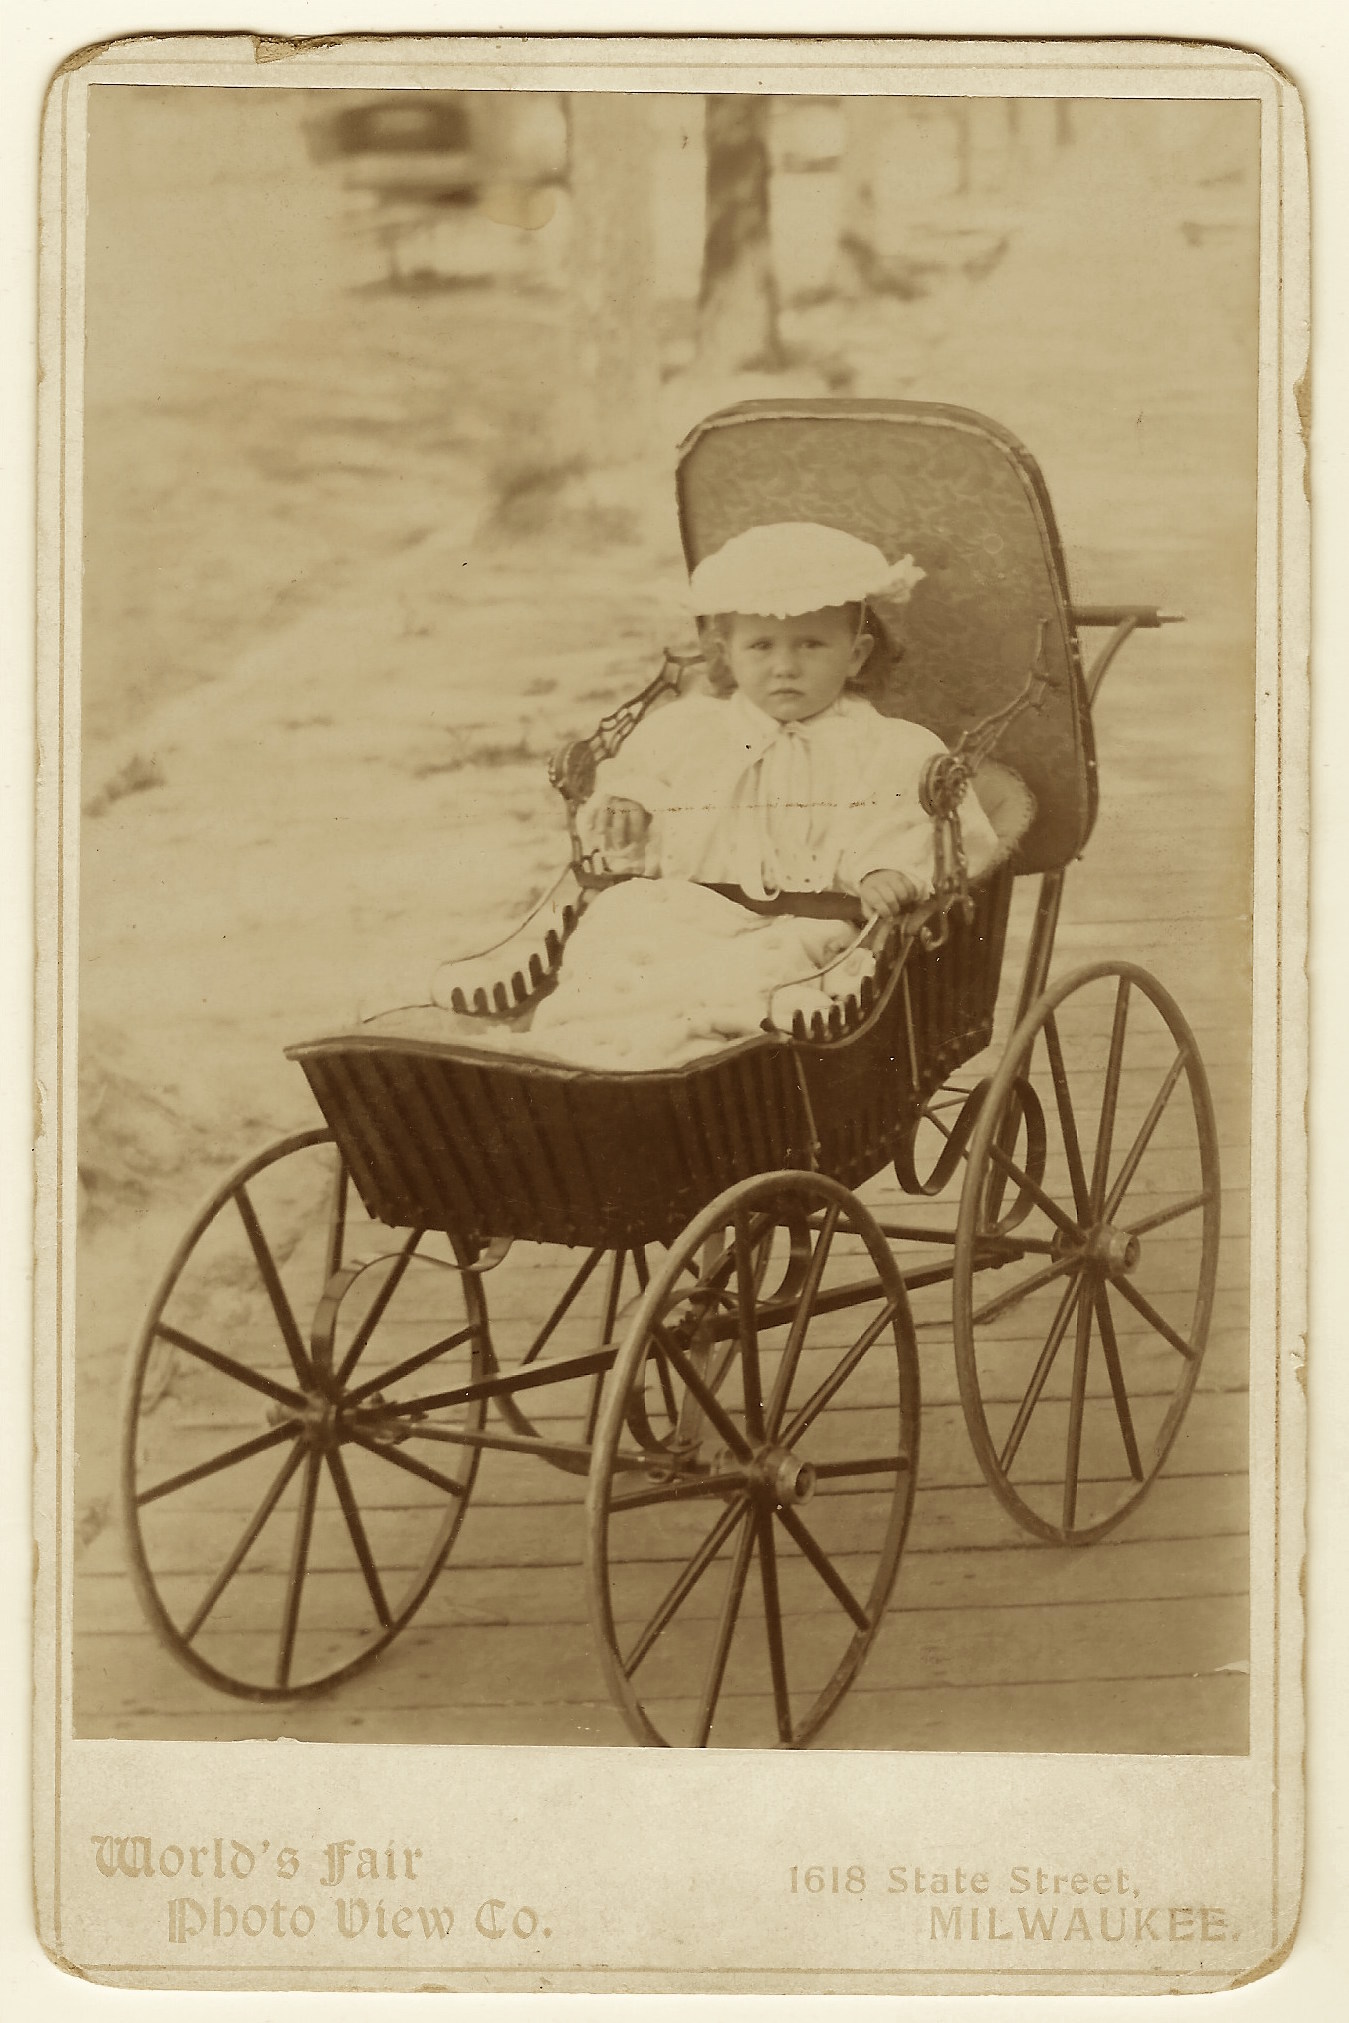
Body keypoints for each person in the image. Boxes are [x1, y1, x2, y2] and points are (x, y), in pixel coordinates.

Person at [581, 519, 1000, 915]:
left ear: (856, 655)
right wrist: (628, 803)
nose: (784, 667)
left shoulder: (892, 748)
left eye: (810, 645)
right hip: (689, 914)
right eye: (761, 646)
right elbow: (635, 779)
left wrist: (887, 871)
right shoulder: (685, 730)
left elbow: (928, 829)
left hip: (815, 926)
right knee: (616, 936)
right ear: (727, 655)